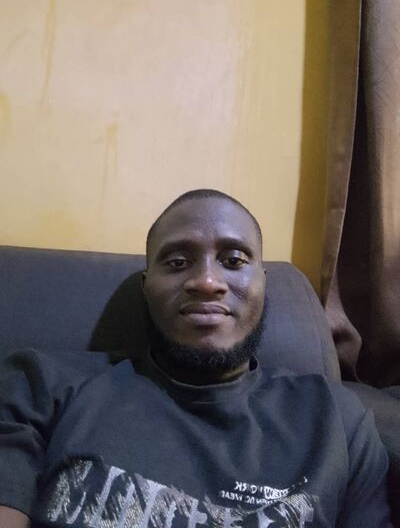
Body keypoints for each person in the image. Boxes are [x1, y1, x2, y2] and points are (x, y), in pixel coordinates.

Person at [0, 189, 393, 527]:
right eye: (177, 262)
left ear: (262, 284)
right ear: (146, 287)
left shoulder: (338, 421)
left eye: (234, 261)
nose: (206, 282)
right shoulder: (40, 384)